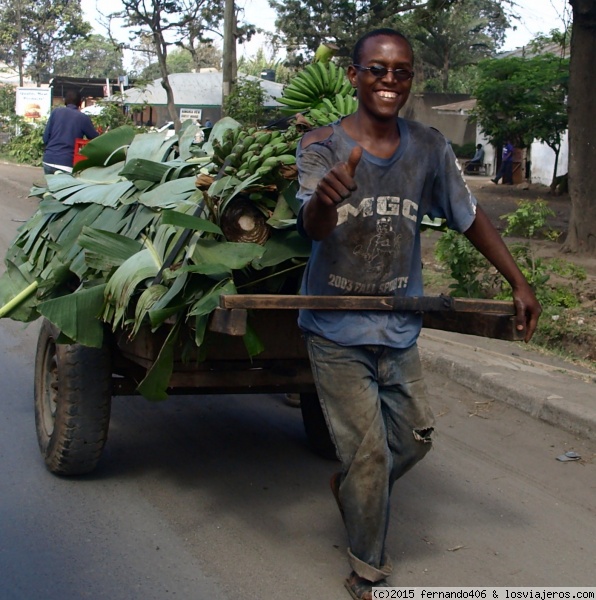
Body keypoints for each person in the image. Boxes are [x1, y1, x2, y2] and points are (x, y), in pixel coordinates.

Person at [295, 28, 541, 600]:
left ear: (410, 80)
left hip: (398, 323)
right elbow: (311, 226)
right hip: (335, 327)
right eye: (376, 69)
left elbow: (470, 215)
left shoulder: (429, 147)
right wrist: (326, 201)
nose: (388, 80)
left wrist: (520, 281)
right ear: (354, 75)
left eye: (400, 71)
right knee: (369, 452)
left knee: (414, 440)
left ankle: (351, 485)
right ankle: (366, 570)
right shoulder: (320, 145)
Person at [42, 89, 99, 175]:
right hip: (67, 163)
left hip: (48, 160)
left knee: (52, 188)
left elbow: (45, 138)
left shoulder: (55, 112)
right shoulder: (83, 118)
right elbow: (95, 139)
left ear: (65, 101)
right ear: (80, 103)